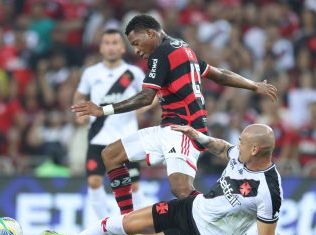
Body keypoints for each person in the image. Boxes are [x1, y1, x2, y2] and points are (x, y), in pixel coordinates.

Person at [71, 14, 278, 216]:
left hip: (184, 130)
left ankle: (225, 219)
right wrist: (253, 85)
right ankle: (128, 223)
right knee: (111, 154)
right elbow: (220, 75)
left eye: (136, 42)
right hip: (168, 128)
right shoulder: (183, 49)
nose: (136, 50)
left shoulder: (161, 53)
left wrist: (103, 110)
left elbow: (146, 97)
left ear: (150, 33)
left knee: (181, 190)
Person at [41, 124, 283, 235]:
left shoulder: (268, 189)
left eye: (241, 142)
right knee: (124, 223)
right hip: (191, 207)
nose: (236, 145)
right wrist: (198, 137)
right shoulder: (241, 157)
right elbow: (223, 147)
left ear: (254, 149)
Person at [73, 29, 149, 221]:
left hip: (126, 138)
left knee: (134, 185)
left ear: (123, 48)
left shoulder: (133, 73)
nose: (111, 47)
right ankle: (106, 227)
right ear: (101, 47)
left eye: (115, 43)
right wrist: (79, 112)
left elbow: (152, 96)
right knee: (94, 181)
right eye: (107, 43)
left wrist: (144, 107)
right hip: (98, 136)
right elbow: (80, 94)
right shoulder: (91, 73)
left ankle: (138, 229)